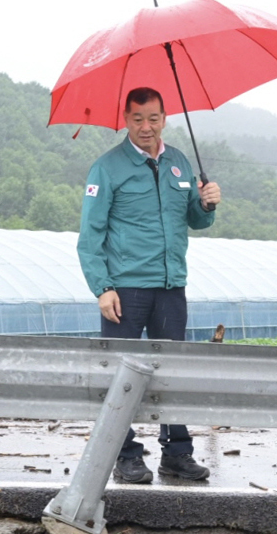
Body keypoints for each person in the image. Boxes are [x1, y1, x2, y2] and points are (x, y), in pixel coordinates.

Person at [77, 87, 221, 484]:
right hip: (125, 290)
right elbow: (90, 235)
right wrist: (102, 287)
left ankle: (177, 454)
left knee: (172, 373)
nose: (146, 127)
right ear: (126, 120)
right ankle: (123, 455)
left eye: (153, 118)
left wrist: (206, 203)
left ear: (164, 118)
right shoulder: (107, 168)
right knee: (121, 376)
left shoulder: (178, 162)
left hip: (171, 286)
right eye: (138, 119)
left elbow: (195, 219)